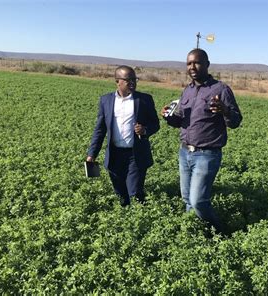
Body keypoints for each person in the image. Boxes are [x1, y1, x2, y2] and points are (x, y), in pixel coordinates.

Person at [161, 48, 242, 232]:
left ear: (207, 64)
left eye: (197, 62)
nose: (192, 67)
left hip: (207, 154)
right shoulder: (187, 91)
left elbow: (236, 121)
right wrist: (168, 116)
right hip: (184, 152)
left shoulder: (220, 89)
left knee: (198, 201)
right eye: (189, 63)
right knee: (187, 199)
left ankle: (221, 232)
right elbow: (181, 120)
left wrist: (225, 111)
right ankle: (195, 234)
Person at [87, 65, 160, 206]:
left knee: (134, 191)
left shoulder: (144, 100)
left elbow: (155, 124)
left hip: (135, 153)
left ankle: (140, 216)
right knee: (120, 192)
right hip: (115, 154)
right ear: (117, 81)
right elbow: (100, 129)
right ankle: (126, 216)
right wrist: (92, 154)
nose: (133, 83)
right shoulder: (106, 100)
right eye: (128, 80)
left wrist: (145, 130)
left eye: (135, 79)